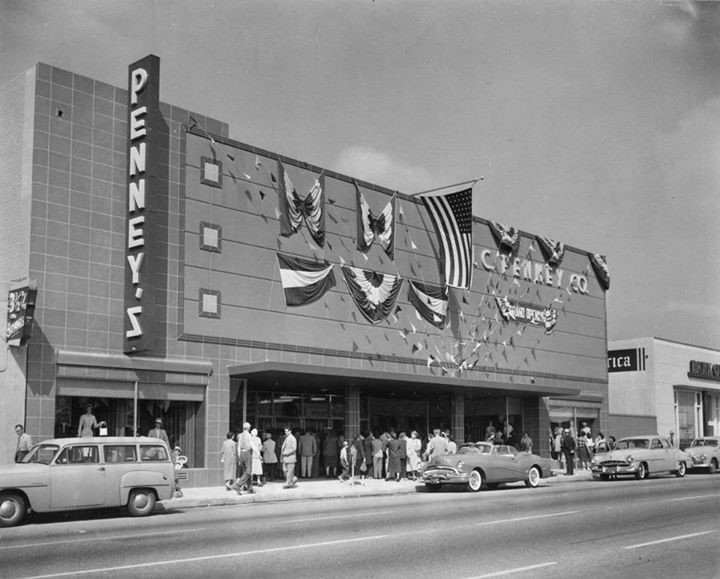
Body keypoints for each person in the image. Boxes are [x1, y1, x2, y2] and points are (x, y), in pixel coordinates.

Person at [234, 422, 254, 495]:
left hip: (241, 454)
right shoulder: (249, 435)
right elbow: (252, 445)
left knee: (245, 471)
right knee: (248, 472)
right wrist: (258, 454)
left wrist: (239, 456)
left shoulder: (240, 435)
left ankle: (250, 488)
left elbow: (238, 446)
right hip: (247, 453)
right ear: (249, 428)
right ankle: (238, 485)